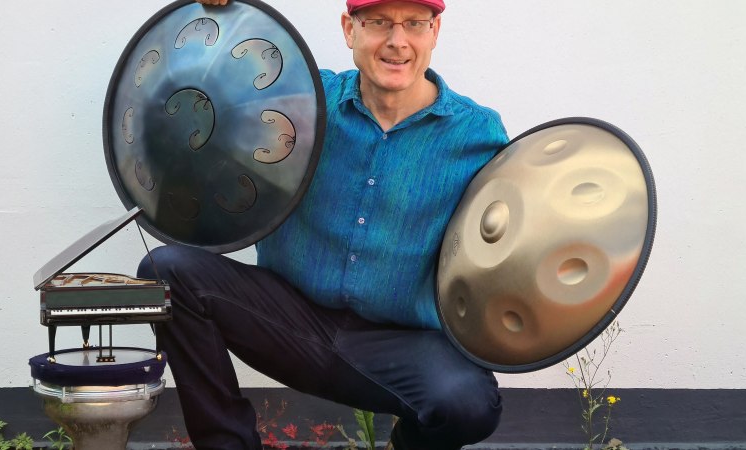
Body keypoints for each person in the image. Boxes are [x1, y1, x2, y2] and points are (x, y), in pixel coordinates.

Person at [137, 0, 509, 448]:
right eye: (378, 23)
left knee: (469, 401)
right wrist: (222, 12)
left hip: (398, 346)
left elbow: (503, 248)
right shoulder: (304, 102)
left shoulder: (479, 136)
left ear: (435, 32)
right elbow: (220, 96)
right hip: (287, 319)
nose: (397, 41)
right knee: (166, 272)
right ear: (349, 29)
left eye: (414, 23)